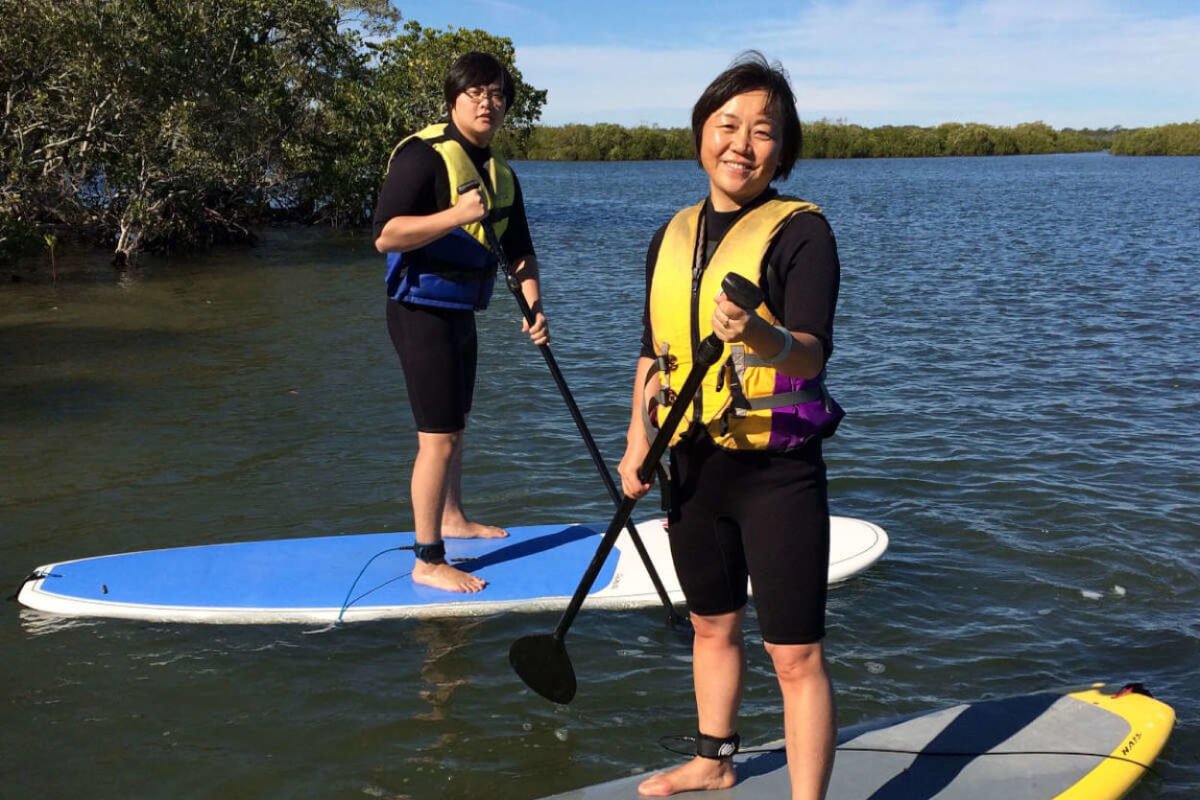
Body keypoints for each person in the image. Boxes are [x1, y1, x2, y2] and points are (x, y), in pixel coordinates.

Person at [617, 52, 844, 799]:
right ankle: (713, 762)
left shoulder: (803, 235)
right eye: (727, 125)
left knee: (794, 654)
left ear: (783, 152)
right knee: (711, 625)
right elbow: (652, 350)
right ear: (701, 134)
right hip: (692, 467)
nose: (742, 144)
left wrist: (761, 336)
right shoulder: (671, 234)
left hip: (775, 474)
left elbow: (810, 352)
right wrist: (636, 442)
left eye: (763, 132)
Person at [373, 51, 548, 594]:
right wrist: (456, 215)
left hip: (459, 310)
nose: (487, 102)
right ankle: (427, 560)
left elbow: (520, 252)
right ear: (454, 100)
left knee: (457, 424)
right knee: (438, 437)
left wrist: (534, 306)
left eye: (496, 94)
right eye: (476, 92)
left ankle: (451, 517)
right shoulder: (423, 157)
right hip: (418, 310)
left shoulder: (502, 174)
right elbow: (385, 234)